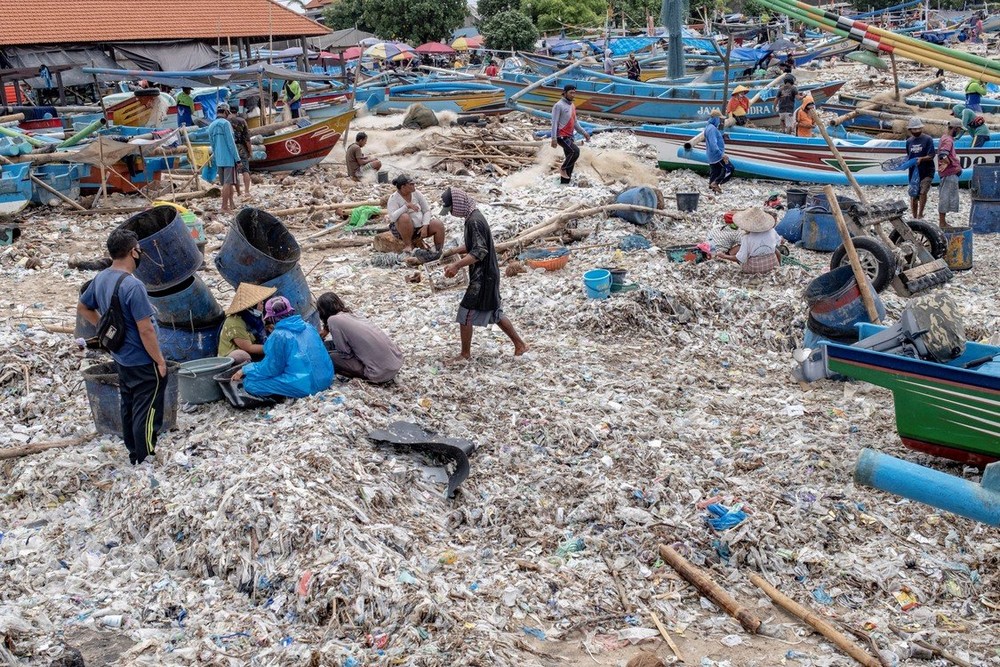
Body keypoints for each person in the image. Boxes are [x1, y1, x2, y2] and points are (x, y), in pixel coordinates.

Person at [77, 228, 167, 465]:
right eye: (138, 249)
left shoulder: (101, 278)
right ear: (132, 251)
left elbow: (83, 307)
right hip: (142, 358)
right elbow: (145, 329)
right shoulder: (133, 286)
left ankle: (133, 454)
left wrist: (104, 329)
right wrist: (159, 360)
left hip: (121, 356)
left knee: (129, 404)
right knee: (146, 410)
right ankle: (146, 455)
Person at [440, 187, 527, 361]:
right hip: (487, 273)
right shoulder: (472, 217)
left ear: (458, 204)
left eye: (451, 210)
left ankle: (465, 354)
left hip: (484, 276)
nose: (451, 214)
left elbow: (480, 251)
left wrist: (457, 265)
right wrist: (454, 251)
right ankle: (520, 344)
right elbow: (474, 245)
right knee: (495, 312)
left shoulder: (474, 221)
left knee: (465, 313)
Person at [231, 296, 333, 398]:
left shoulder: (279, 335)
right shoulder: (308, 326)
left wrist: (245, 369)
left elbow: (272, 368)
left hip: (305, 386)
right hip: (326, 378)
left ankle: (283, 394)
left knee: (250, 383)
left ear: (271, 317)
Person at [317, 292, 403, 383]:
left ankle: (363, 376)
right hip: (396, 363)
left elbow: (345, 354)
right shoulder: (351, 315)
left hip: (380, 374)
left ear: (323, 311)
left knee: (329, 357)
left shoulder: (332, 320)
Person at [387, 174, 446, 256]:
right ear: (403, 187)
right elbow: (392, 218)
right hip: (402, 230)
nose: (414, 186)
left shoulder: (417, 193)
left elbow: (426, 211)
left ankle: (438, 250)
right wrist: (406, 207)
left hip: (420, 228)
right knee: (404, 217)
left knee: (438, 224)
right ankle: (408, 245)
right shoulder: (393, 198)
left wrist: (425, 226)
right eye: (411, 184)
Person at [218, 283, 275, 364]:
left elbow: (259, 331)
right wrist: (272, 348)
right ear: (252, 306)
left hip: (254, 350)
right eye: (260, 303)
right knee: (241, 355)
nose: (262, 304)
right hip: (233, 357)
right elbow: (249, 347)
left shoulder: (254, 316)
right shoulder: (234, 323)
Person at [716, 207, 782, 274]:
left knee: (739, 256)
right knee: (775, 250)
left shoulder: (746, 237)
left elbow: (740, 258)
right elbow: (778, 242)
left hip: (755, 269)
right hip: (773, 265)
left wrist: (724, 256)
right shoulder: (772, 230)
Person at [550, 84, 590, 185]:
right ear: (565, 93)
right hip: (561, 136)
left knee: (570, 159)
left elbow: (575, 122)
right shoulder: (558, 105)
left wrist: (584, 133)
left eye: (574, 93)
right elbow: (554, 122)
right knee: (575, 152)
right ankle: (563, 168)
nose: (573, 95)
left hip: (570, 135)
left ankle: (565, 183)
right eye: (571, 93)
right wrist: (554, 138)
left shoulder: (572, 105)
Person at [209, 104, 239, 212]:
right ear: (226, 112)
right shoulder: (226, 124)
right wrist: (237, 158)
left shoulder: (211, 125)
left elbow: (212, 145)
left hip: (219, 159)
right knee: (227, 183)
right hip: (228, 159)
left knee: (227, 182)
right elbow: (231, 143)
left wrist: (216, 156)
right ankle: (224, 207)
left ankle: (231, 204)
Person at [905, 116, 936, 219]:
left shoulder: (928, 139)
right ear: (910, 130)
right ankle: (914, 216)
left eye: (918, 129)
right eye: (914, 129)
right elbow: (909, 155)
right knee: (913, 195)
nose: (917, 131)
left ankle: (920, 214)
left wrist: (921, 159)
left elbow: (931, 155)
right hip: (914, 171)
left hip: (927, 170)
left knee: (923, 192)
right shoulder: (909, 141)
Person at [937, 118, 963, 229]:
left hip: (949, 173)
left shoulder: (945, 138)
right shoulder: (948, 140)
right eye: (959, 129)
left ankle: (943, 221)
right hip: (949, 173)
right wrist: (948, 162)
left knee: (946, 196)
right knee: (945, 197)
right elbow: (943, 154)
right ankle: (942, 222)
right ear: (955, 129)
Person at [227, 106, 253, 197]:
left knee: (234, 170)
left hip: (230, 148)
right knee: (245, 169)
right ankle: (246, 191)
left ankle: (238, 192)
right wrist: (250, 151)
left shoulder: (226, 122)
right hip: (241, 147)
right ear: (237, 112)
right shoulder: (242, 121)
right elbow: (247, 138)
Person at [705, 109, 728, 194]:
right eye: (719, 119)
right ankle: (716, 183)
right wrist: (722, 154)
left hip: (710, 155)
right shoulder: (712, 129)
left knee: (715, 171)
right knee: (728, 168)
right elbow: (713, 144)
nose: (720, 121)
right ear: (715, 118)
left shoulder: (708, 127)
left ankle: (711, 189)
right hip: (716, 155)